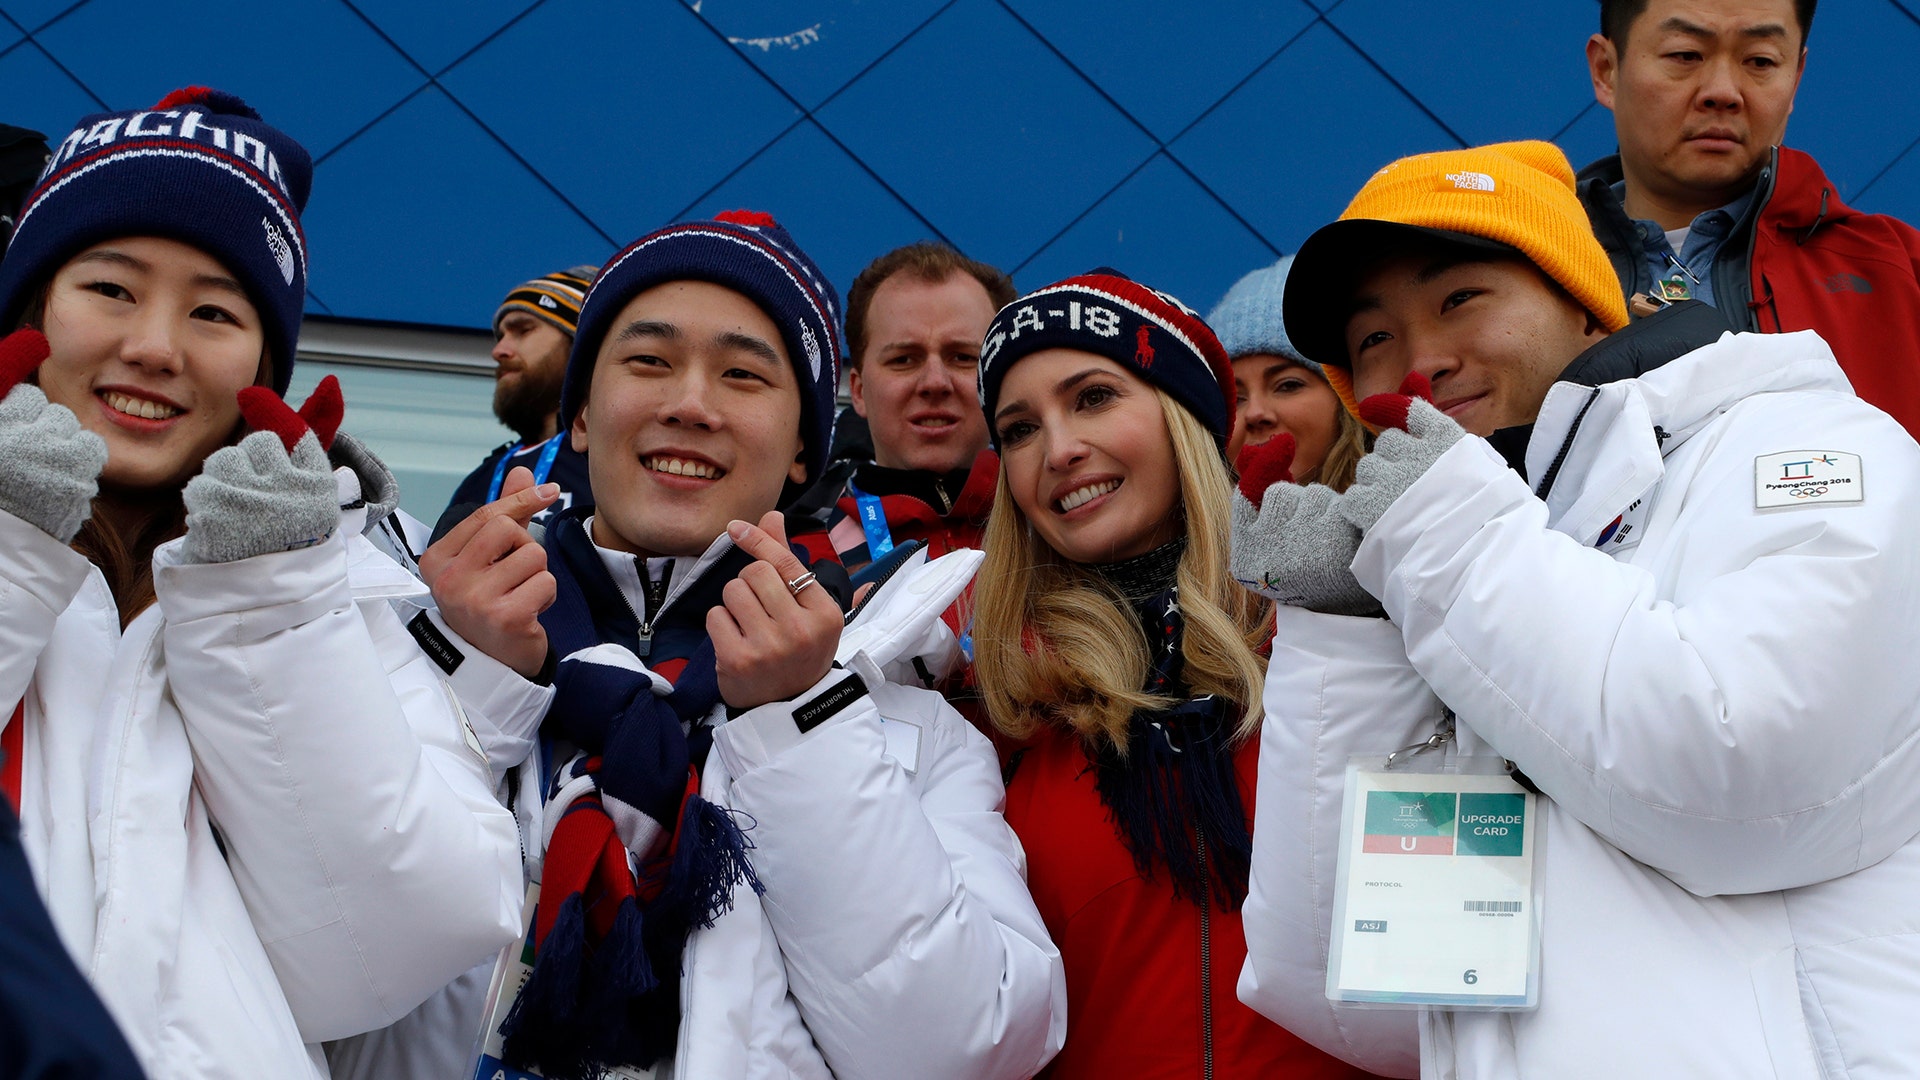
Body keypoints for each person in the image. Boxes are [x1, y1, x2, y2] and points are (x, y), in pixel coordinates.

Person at [1233, 139, 1920, 1078]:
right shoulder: (1453, 568)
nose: (1420, 360)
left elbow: (1754, 775)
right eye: (1374, 340)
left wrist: (1450, 542)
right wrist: (1347, 632)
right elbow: (1359, 1000)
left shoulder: (1798, 442)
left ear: (1585, 300)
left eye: (1460, 299)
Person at [430, 210, 1065, 1079]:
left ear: (805, 449)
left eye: (742, 374)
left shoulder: (898, 715)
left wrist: (800, 720)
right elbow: (331, 959)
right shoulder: (433, 637)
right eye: (649, 360)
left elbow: (963, 1048)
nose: (690, 404)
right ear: (578, 416)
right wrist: (457, 670)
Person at [0, 89, 524, 1077]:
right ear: (32, 310)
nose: (156, 345)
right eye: (110, 289)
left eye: (213, 311)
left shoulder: (339, 589)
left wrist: (262, 602)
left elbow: (379, 963)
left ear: (262, 365)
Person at [970, 269, 1376, 1079]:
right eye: (1018, 430)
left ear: (1184, 418)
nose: (1058, 450)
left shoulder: (1341, 629)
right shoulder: (985, 699)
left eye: (1093, 397)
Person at [1580, 0, 1920, 435]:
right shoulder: (1521, 277)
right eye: (1685, 55)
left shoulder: (1902, 275)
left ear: (1795, 79)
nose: (1722, 91)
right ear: (1607, 69)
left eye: (1760, 61)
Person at [794, 242, 1012, 574]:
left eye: (963, 357)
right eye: (904, 359)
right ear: (859, 391)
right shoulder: (795, 558)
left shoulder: (1060, 535)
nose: (935, 382)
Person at [445, 265, 597, 525]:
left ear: (581, 344)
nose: (499, 350)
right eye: (501, 336)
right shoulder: (479, 479)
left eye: (523, 330)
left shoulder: (612, 463)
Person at [1210, 253, 1368, 483]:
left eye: (1287, 385)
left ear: (1346, 397)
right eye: (1233, 400)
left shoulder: (1420, 509)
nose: (1255, 414)